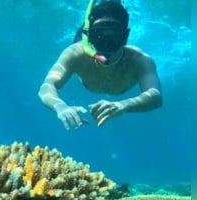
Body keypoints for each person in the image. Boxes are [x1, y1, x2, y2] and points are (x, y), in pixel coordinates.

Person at [38, 0, 163, 130]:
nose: (107, 44)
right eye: (99, 36)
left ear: (125, 36)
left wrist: (124, 105)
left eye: (114, 37)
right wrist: (60, 107)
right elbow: (47, 87)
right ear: (89, 36)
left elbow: (155, 96)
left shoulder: (140, 60)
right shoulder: (75, 53)